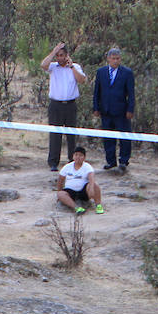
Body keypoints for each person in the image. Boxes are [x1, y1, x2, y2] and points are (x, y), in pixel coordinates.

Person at [41, 43, 87, 171]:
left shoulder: (75, 67)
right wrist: (53, 51)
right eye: (57, 55)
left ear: (67, 55)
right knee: (55, 135)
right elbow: (43, 65)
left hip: (70, 105)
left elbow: (82, 80)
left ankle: (73, 161)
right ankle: (53, 162)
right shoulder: (53, 67)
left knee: (71, 134)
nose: (59, 58)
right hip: (56, 105)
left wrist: (71, 66)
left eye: (62, 55)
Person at [91, 47, 135, 171]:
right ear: (108, 59)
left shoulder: (127, 72)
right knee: (108, 137)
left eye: (118, 58)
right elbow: (97, 92)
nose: (115, 61)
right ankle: (111, 161)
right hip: (106, 110)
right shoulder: (101, 72)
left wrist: (130, 110)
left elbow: (131, 93)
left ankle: (124, 161)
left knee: (125, 137)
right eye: (113, 58)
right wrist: (96, 107)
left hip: (121, 111)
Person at [56, 146, 104, 215]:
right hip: (70, 191)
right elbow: (60, 180)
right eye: (76, 155)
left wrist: (91, 188)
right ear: (73, 156)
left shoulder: (87, 166)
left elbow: (91, 177)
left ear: (84, 157)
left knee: (95, 185)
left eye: (80, 155)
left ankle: (98, 205)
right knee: (60, 194)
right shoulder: (67, 167)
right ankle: (77, 208)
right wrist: (59, 191)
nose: (78, 157)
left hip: (83, 191)